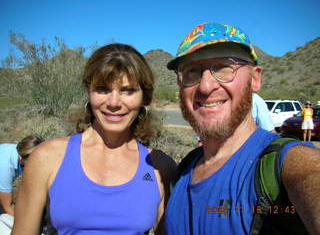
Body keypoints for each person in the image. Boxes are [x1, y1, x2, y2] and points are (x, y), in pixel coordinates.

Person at [164, 23, 320, 234]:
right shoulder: (183, 170)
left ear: (255, 79)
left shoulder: (287, 163)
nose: (205, 86)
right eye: (192, 71)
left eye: (223, 67)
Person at [12, 43, 177, 235]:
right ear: (89, 92)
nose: (114, 102)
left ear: (144, 98)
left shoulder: (161, 166)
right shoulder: (47, 157)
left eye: (128, 90)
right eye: (102, 89)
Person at [0, 134, 44, 216]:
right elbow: (7, 207)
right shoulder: (5, 167)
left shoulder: (23, 151)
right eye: (35, 161)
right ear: (21, 158)